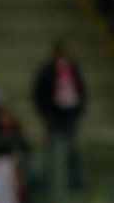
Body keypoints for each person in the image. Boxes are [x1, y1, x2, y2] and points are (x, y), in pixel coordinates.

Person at [33, 40, 88, 192]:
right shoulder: (46, 71)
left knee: (72, 149)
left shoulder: (73, 70)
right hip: (54, 117)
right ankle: (51, 182)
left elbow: (82, 91)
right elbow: (39, 94)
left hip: (70, 116)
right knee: (53, 149)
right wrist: (46, 113)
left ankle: (74, 182)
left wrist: (77, 110)